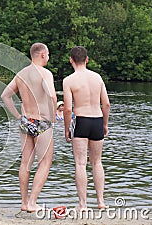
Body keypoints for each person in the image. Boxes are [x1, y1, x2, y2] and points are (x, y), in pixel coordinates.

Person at [1, 43, 57, 212]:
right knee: (45, 162)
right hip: (42, 122)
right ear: (42, 55)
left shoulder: (21, 74)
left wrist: (17, 115)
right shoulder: (45, 73)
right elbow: (52, 95)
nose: (48, 57)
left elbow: (5, 96)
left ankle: (24, 202)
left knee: (26, 162)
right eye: (47, 54)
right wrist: (53, 116)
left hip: (26, 122)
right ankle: (33, 202)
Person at [62, 46, 110, 211]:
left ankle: (83, 204)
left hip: (81, 121)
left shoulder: (69, 80)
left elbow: (67, 109)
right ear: (87, 59)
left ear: (71, 60)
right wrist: (105, 124)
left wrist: (67, 129)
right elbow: (107, 104)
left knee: (80, 163)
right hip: (97, 120)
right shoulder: (98, 78)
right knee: (97, 162)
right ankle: (101, 202)